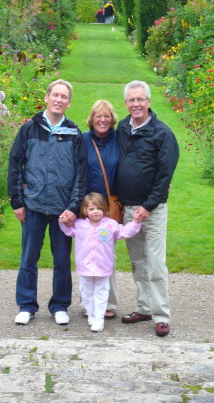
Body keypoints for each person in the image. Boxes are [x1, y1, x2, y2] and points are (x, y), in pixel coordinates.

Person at [8, 79, 87, 326]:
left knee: (62, 260)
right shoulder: (29, 129)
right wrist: (17, 202)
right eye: (55, 95)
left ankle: (60, 305)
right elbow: (15, 165)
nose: (59, 100)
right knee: (28, 257)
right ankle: (27, 305)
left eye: (64, 97)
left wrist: (74, 208)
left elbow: (80, 175)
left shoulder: (74, 133)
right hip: (33, 206)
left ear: (69, 102)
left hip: (62, 210)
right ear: (47, 97)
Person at [117, 80, 179, 337]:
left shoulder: (162, 134)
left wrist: (148, 206)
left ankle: (161, 315)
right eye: (131, 100)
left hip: (151, 212)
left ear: (149, 102)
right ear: (126, 103)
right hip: (127, 209)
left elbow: (165, 176)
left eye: (140, 99)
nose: (136, 104)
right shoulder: (121, 128)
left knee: (155, 264)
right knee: (138, 263)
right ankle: (143, 307)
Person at [59, 193, 141, 332]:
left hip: (103, 266)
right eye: (91, 209)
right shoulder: (79, 225)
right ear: (85, 211)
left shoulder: (110, 224)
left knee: (102, 292)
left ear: (104, 209)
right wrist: (63, 221)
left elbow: (124, 232)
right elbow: (68, 231)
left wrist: (135, 223)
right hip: (85, 265)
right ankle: (90, 314)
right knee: (86, 291)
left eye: (98, 208)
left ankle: (99, 318)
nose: (95, 212)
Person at [82, 100, 120, 319]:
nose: (103, 120)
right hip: (87, 209)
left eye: (106, 116)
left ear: (112, 119)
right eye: (98, 116)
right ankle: (88, 303)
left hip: (109, 208)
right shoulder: (83, 140)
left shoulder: (119, 139)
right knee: (87, 253)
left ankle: (108, 302)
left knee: (106, 255)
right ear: (92, 119)